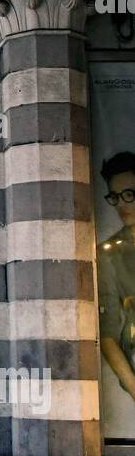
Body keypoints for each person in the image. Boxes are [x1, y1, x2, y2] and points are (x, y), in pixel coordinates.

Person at [97, 151, 135, 405]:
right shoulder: (110, 255)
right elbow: (108, 331)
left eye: (129, 195)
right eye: (114, 196)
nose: (122, 204)